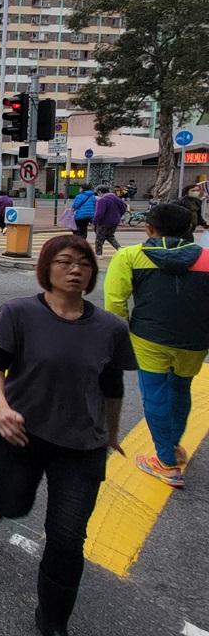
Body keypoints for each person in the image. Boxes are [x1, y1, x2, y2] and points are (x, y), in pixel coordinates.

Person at [0, 234, 130, 636]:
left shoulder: (110, 328)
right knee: (14, 504)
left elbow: (112, 387)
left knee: (67, 537)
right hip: (21, 434)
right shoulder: (18, 312)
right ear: (46, 268)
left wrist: (111, 434)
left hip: (83, 446)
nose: (75, 270)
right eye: (65, 262)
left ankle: (53, 621)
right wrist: (2, 409)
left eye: (84, 264)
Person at [105, 203, 209, 489]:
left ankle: (165, 461)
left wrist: (121, 336)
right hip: (196, 341)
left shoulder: (130, 256)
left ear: (149, 229)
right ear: (190, 229)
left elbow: (115, 302)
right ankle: (172, 446)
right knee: (181, 388)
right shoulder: (206, 258)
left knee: (155, 395)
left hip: (148, 338)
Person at [91, 185, 128, 257]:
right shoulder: (117, 199)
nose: (98, 195)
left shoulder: (102, 200)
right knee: (110, 236)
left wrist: (94, 222)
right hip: (115, 221)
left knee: (99, 238)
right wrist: (118, 215)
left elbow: (99, 213)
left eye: (97, 193)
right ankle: (119, 249)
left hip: (104, 222)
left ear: (100, 192)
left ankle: (99, 254)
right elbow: (124, 208)